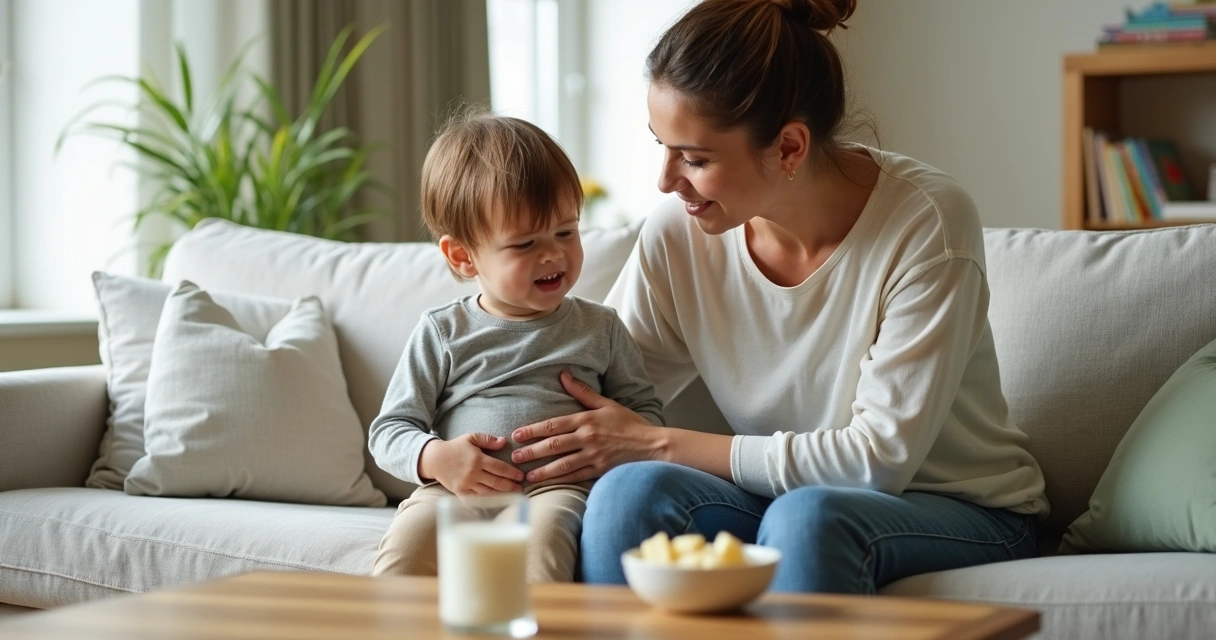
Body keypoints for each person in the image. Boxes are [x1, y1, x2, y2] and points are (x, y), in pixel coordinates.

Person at [505, 0, 1049, 593]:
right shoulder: (678, 234)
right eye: (662, 146)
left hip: (961, 511)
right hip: (779, 498)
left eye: (694, 158)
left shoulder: (927, 224)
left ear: (789, 147)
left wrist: (660, 442)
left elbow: (875, 464)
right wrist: (452, 446)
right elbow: (595, 387)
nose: (665, 179)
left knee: (809, 516)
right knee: (629, 492)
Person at [368, 112, 665, 583]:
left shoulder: (600, 327)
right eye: (525, 243)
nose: (553, 254)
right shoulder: (443, 330)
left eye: (566, 232)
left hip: (559, 490)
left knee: (545, 544)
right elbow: (390, 429)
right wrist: (436, 457)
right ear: (463, 257)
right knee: (407, 547)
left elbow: (648, 417)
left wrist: (622, 433)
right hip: (455, 493)